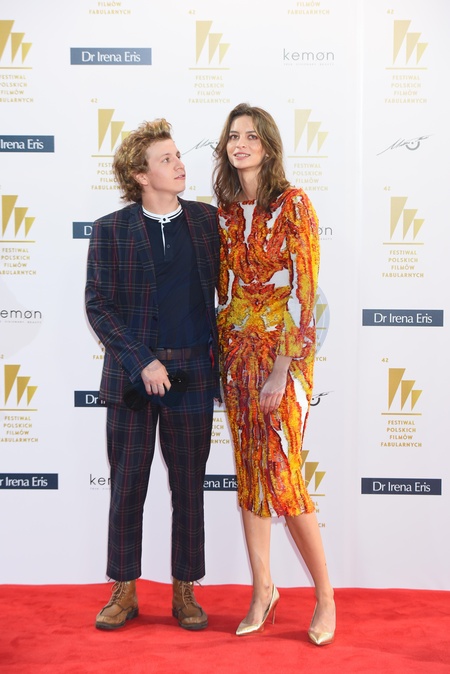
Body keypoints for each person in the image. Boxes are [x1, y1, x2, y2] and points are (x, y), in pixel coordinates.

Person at [85, 119, 219, 631]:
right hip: (132, 375)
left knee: (189, 486)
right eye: (166, 159)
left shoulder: (208, 222)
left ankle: (185, 588)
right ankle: (124, 588)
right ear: (141, 175)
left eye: (178, 155)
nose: (180, 164)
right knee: (127, 486)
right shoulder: (110, 229)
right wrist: (142, 359)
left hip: (193, 372)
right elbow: (98, 305)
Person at [213, 103, 336, 645]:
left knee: (283, 475)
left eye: (251, 136)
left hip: (283, 360)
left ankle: (325, 596)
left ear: (268, 145)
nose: (240, 144)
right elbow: (224, 294)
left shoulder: (294, 204)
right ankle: (263, 589)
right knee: (249, 473)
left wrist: (282, 369)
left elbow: (305, 294)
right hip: (237, 357)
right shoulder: (223, 212)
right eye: (233, 136)